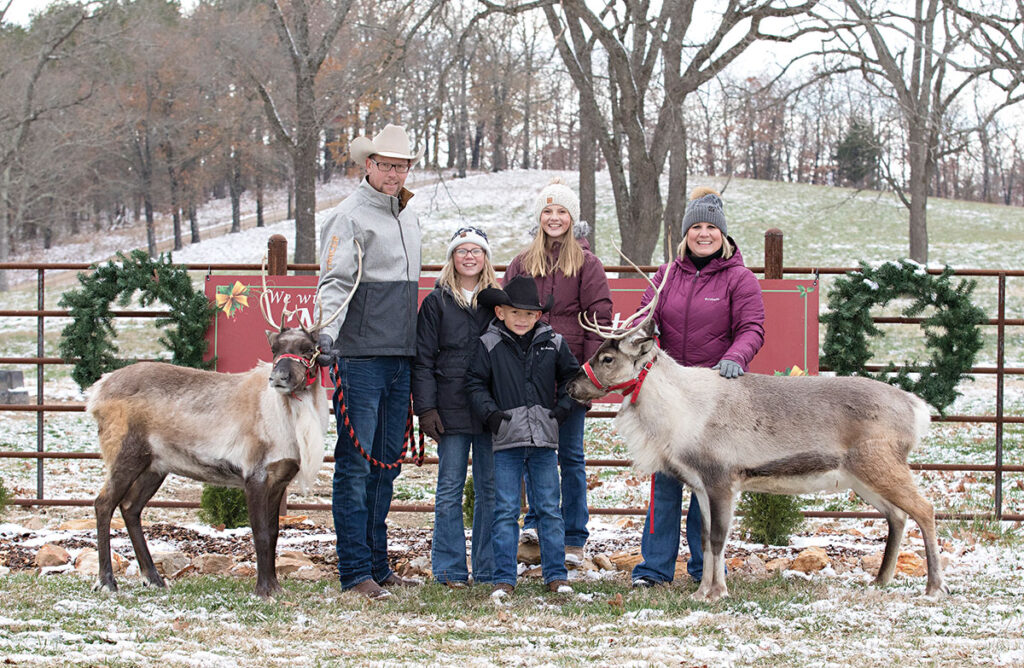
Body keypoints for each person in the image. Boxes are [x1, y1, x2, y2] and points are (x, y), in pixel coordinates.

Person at [630, 186, 765, 588]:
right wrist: (642, 332)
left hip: (713, 402)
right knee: (665, 483)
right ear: (685, 232)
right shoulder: (666, 275)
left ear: (722, 234)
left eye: (711, 227)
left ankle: (703, 567)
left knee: (708, 484)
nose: (703, 234)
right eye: (696, 227)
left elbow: (752, 328)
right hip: (669, 400)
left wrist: (736, 357)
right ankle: (653, 570)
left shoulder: (739, 278)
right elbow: (643, 315)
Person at [315, 123, 423, 600]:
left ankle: (377, 567)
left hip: (400, 356)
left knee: (386, 465)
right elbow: (334, 283)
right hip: (359, 358)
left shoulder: (407, 216)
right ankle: (354, 572)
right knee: (355, 466)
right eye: (386, 165)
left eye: (401, 166)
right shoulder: (348, 217)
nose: (394, 173)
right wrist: (327, 337)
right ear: (369, 166)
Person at [503, 177, 612, 566]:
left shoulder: (587, 263)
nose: (554, 218)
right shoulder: (521, 262)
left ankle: (574, 535)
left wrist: (585, 380)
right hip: (527, 374)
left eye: (561, 211)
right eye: (547, 211)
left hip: (569, 375)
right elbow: (503, 316)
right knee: (533, 450)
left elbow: (599, 322)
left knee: (570, 455)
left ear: (572, 218)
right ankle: (534, 525)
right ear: (539, 217)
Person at [465, 276, 581, 597]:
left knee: (549, 508)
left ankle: (556, 575)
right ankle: (504, 577)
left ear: (539, 316)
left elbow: (573, 379)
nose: (522, 319)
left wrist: (560, 412)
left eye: (529, 314)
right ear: (500, 312)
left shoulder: (553, 343)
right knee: (504, 510)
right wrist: (493, 416)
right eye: (516, 312)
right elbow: (474, 383)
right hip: (505, 441)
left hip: (544, 440)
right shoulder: (489, 344)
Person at [412, 226, 501, 588]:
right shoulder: (437, 302)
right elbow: (423, 360)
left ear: (485, 258)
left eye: (476, 251)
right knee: (449, 489)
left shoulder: (496, 302)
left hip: (489, 407)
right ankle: (449, 569)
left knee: (490, 489)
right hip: (448, 407)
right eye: (462, 250)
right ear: (452, 258)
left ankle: (487, 567)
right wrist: (426, 408)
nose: (469, 257)